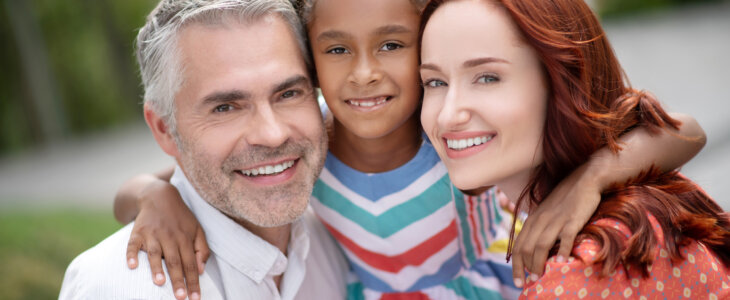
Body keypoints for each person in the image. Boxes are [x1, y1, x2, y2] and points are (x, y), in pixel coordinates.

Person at [115, 0, 707, 299]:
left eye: (393, 46)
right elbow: (164, 177)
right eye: (337, 51)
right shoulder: (304, 139)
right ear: (308, 64)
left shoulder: (445, 131)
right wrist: (153, 195)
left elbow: (687, 130)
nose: (366, 74)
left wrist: (588, 181)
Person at [418, 0, 730, 298]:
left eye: (487, 77)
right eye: (434, 82)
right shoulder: (631, 195)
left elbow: (686, 129)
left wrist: (592, 177)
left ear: (563, 82)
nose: (447, 115)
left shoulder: (584, 268)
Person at [58, 0, 349, 299]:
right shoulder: (117, 288)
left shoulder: (343, 237)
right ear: (164, 128)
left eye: (288, 93)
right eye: (225, 108)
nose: (273, 135)